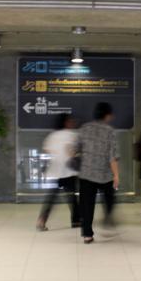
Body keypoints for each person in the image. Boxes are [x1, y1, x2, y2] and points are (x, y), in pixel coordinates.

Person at [78, 102, 120, 244]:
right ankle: (108, 220)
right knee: (110, 198)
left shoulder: (84, 128)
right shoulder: (110, 131)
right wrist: (116, 175)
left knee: (87, 205)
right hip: (104, 174)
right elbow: (112, 156)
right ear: (107, 115)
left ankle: (87, 235)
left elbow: (76, 148)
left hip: (86, 173)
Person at [36, 114, 80, 231]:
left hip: (55, 171)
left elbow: (46, 149)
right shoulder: (72, 135)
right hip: (68, 171)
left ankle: (42, 220)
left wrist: (57, 153)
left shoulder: (52, 136)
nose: (72, 123)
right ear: (66, 122)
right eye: (70, 121)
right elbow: (74, 152)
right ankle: (76, 221)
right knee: (72, 197)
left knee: (51, 197)